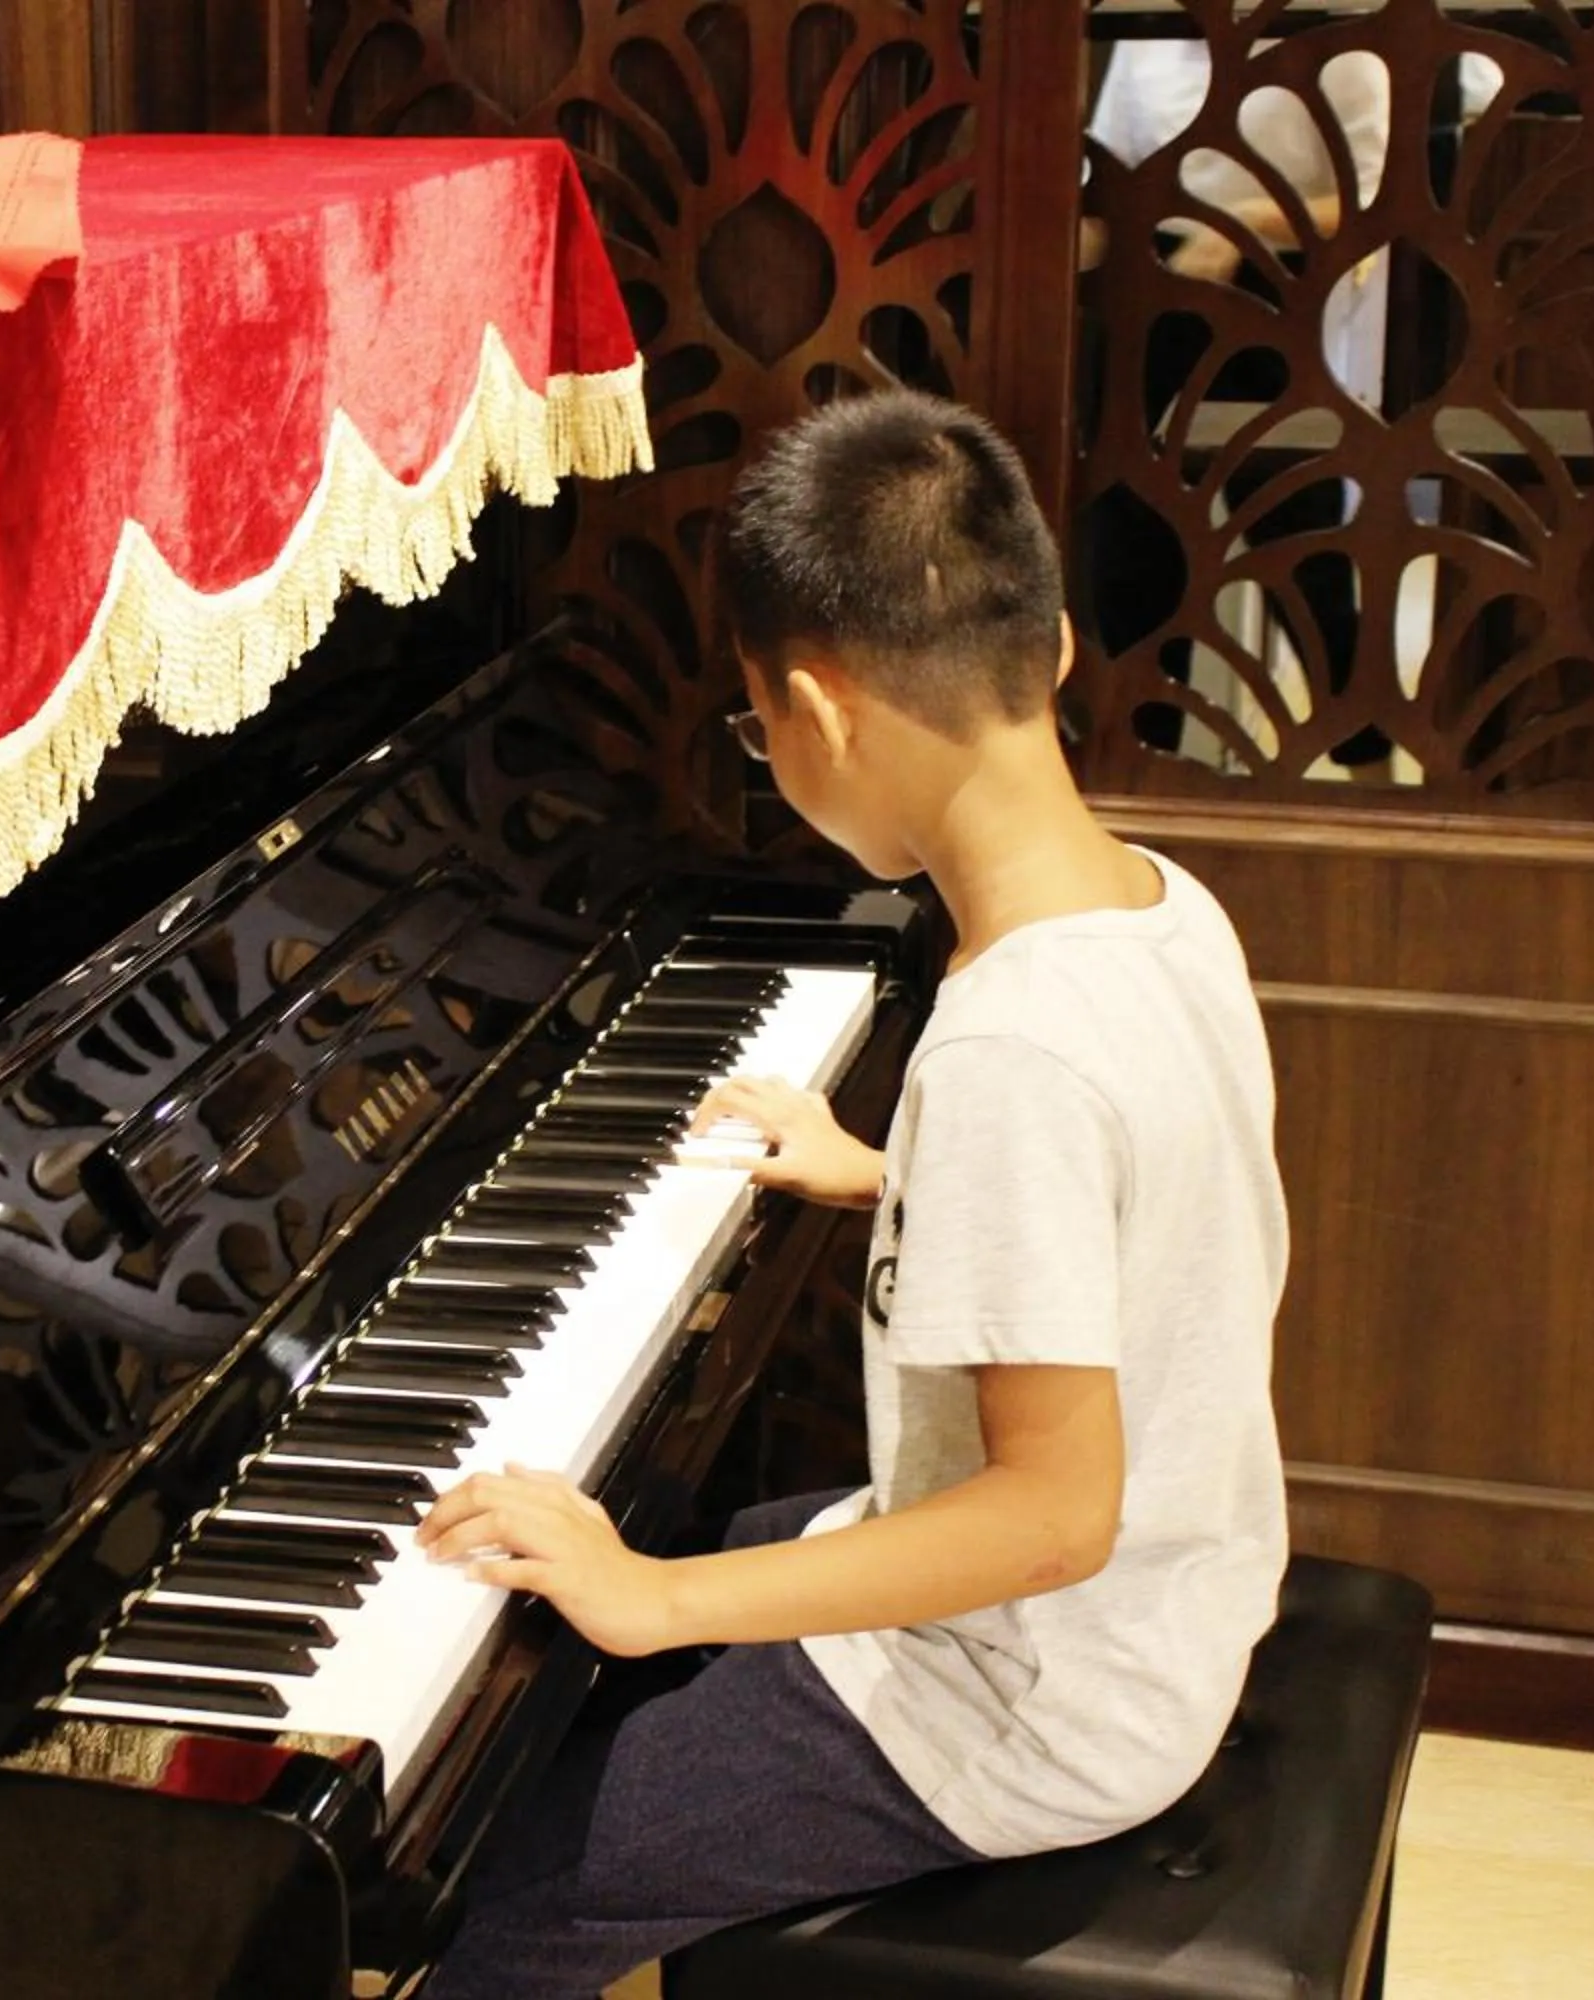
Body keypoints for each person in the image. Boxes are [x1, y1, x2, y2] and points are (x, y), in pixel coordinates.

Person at [411, 391, 1291, 2000]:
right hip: (1166, 1614)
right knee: (559, 1666)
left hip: (1022, 1707)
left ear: (812, 715)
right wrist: (897, 1176)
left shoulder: (1014, 1045)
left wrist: (656, 1600)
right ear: (1058, 647)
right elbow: (1141, 1212)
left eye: (760, 736)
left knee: (478, 1903)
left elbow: (1047, 1518)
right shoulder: (1166, 908)